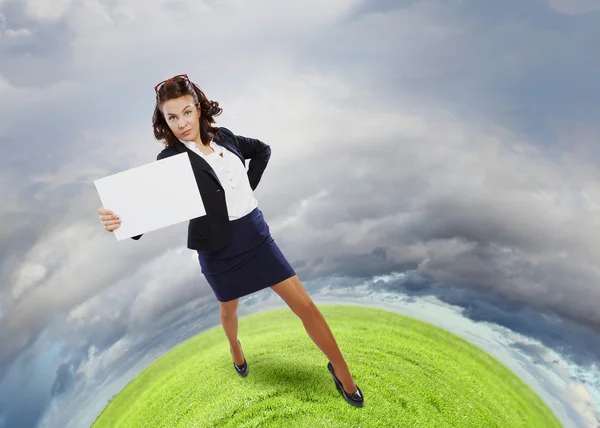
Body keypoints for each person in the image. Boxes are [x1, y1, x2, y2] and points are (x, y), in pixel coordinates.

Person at [96, 74, 364, 407]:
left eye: (186, 112)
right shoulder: (170, 161)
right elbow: (146, 214)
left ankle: (342, 373)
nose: (181, 123)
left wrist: (246, 188)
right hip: (217, 249)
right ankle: (236, 348)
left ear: (198, 107)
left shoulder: (225, 137)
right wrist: (118, 221)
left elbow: (263, 150)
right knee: (228, 309)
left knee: (305, 306)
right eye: (172, 117)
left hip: (255, 236)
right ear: (164, 121)